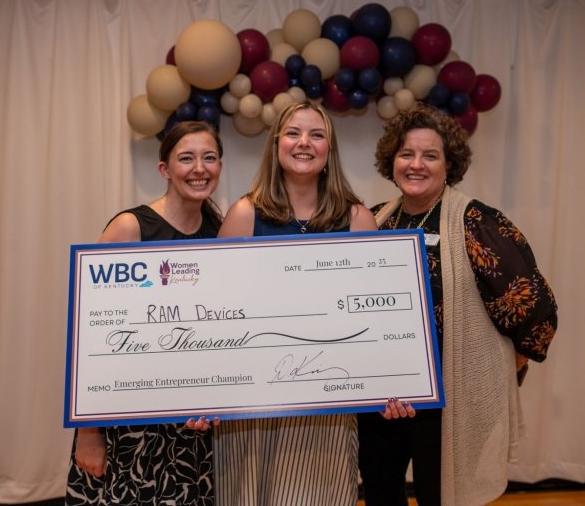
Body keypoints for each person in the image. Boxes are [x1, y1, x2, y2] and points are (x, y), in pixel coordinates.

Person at [358, 103, 558, 506]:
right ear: (391, 161)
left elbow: (534, 307)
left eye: (429, 155)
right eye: (406, 154)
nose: (416, 164)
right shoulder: (375, 218)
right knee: (381, 493)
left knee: (443, 498)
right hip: (382, 400)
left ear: (449, 164)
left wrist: (509, 363)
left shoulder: (476, 223)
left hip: (449, 400)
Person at [214, 100, 395, 505]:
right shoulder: (244, 215)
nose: (304, 143)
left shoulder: (357, 219)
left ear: (329, 149)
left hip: (327, 405)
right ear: (276, 143)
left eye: (317, 135)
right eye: (294, 132)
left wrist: (392, 381)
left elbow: (375, 320)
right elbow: (218, 315)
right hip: (253, 408)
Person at [66, 121, 224, 506]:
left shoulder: (219, 232)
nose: (199, 168)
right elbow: (92, 335)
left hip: (191, 425)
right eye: (186, 159)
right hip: (130, 423)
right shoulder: (130, 227)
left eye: (209, 158)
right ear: (164, 169)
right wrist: (88, 433)